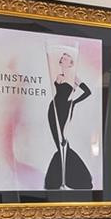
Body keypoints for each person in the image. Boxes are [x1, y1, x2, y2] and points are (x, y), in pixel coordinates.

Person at [43, 44, 95, 190]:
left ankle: (70, 178)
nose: (63, 59)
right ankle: (60, 180)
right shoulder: (58, 76)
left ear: (71, 63)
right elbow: (57, 93)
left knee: (63, 141)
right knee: (58, 143)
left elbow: (88, 92)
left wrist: (74, 103)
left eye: (66, 58)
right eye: (62, 57)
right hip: (53, 109)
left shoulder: (74, 78)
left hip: (65, 110)